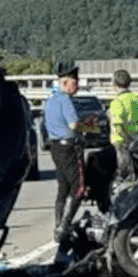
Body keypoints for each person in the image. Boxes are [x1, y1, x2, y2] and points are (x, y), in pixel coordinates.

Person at [42, 66, 85, 242]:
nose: (77, 86)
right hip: (68, 148)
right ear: (65, 82)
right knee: (79, 187)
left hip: (55, 147)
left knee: (63, 187)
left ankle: (58, 225)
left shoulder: (49, 101)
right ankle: (64, 226)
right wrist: (90, 126)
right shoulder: (65, 101)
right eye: (74, 83)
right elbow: (74, 125)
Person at [107, 69, 138, 183]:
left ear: (114, 84)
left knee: (123, 174)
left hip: (122, 143)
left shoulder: (117, 102)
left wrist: (125, 140)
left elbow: (118, 126)